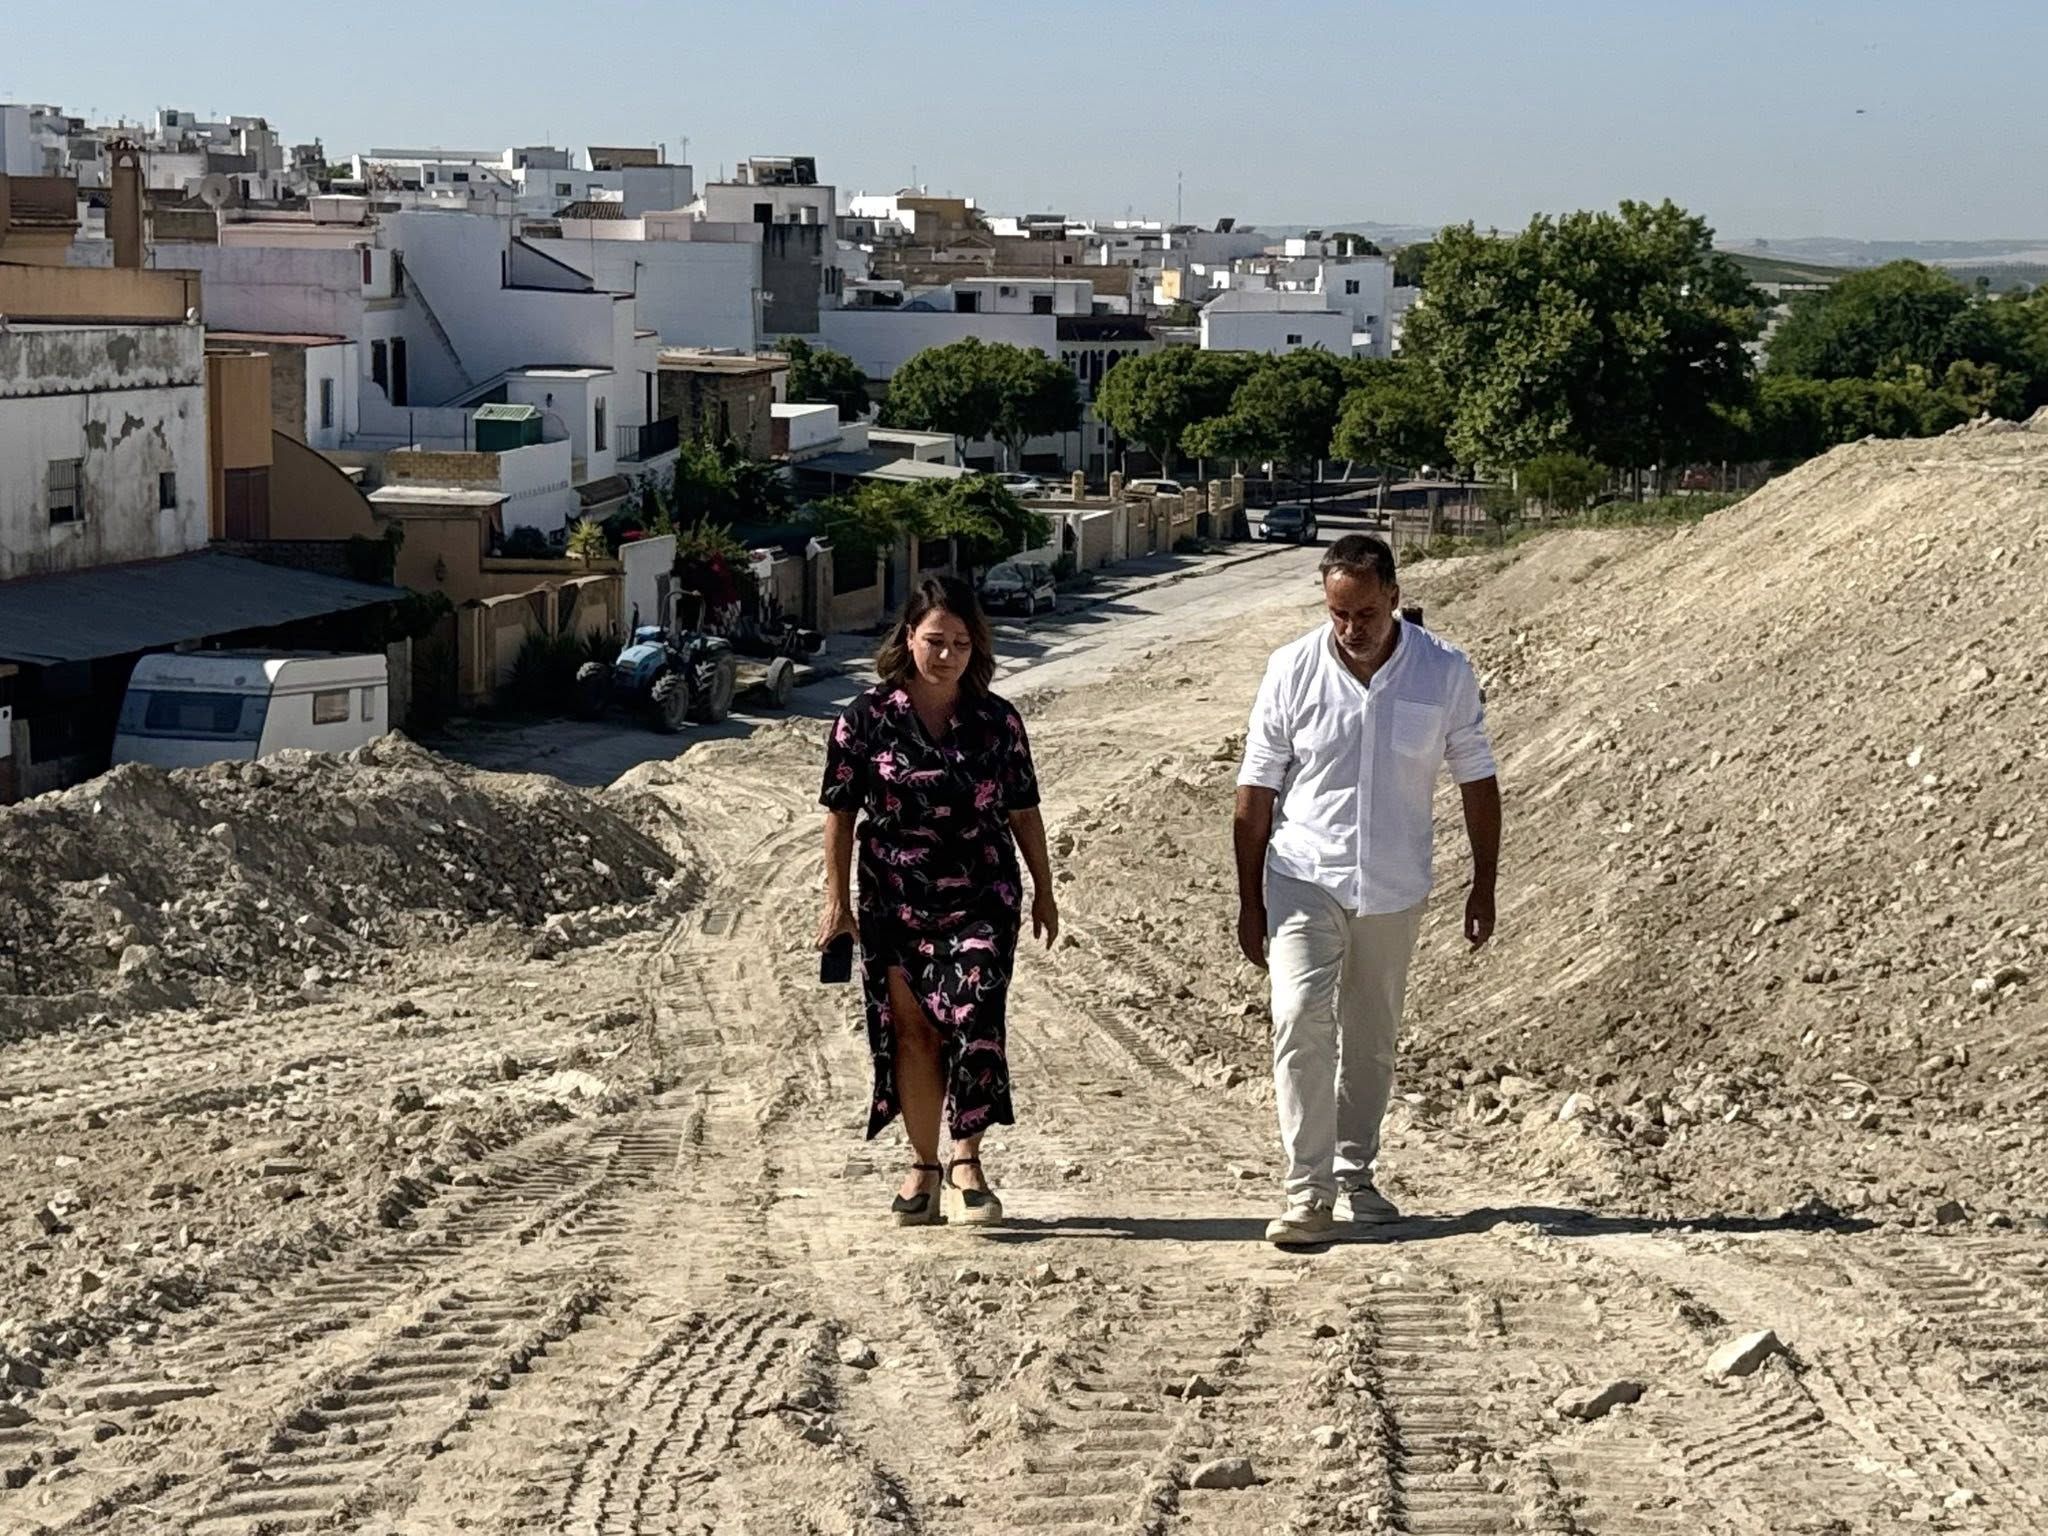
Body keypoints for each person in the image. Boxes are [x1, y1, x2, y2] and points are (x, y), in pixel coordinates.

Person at [1233, 534, 1501, 1246]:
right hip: (1303, 874)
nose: (1351, 628)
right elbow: (1256, 788)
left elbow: (1477, 778)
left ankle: (1356, 1174)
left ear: (1394, 597)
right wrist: (1250, 900)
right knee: (1298, 1017)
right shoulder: (1291, 670)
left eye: (1364, 614)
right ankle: (1307, 1192)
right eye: (1337, 614)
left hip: (1394, 882)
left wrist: (1484, 884)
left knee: (1372, 1036)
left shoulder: (1443, 671)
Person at [818, 574, 1058, 1227]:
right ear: (908, 638)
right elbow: (840, 813)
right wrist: (836, 903)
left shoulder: (997, 721)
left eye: (961, 643)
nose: (947, 654)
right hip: (893, 897)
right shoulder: (863, 719)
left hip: (983, 891)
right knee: (913, 1029)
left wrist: (1044, 889)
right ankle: (923, 1167)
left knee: (976, 1013)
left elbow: (1023, 809)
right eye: (935, 640)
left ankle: (967, 1160)